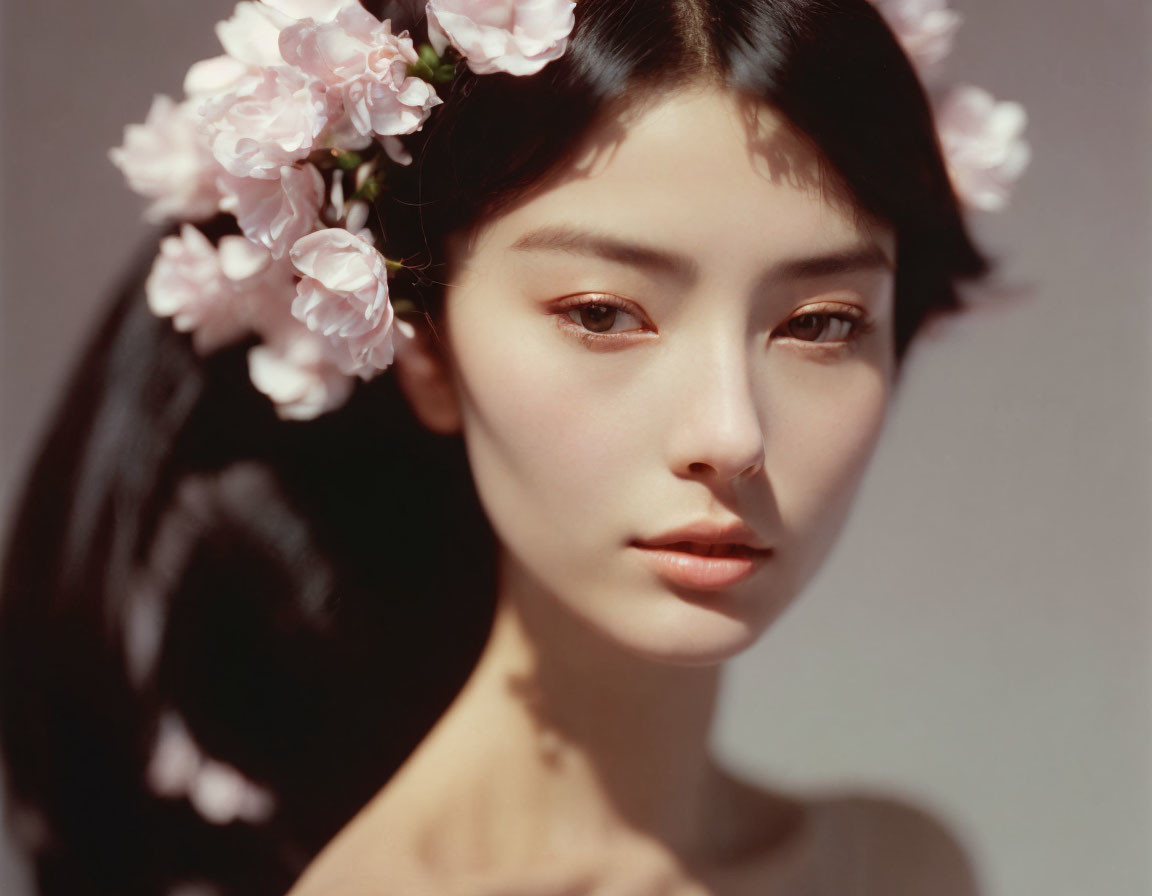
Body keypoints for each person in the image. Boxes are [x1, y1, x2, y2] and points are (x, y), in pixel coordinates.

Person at [0, 0, 1010, 893]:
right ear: (426, 350)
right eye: (604, 312)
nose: (730, 433)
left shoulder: (900, 869)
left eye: (823, 322)